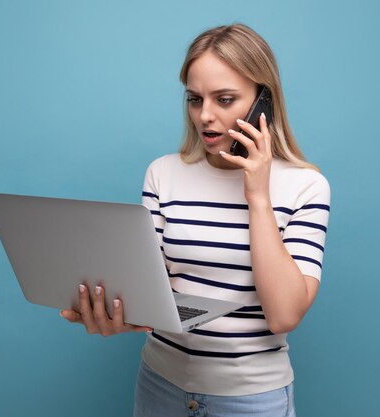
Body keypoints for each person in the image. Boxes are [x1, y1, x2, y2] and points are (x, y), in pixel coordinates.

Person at [60, 23, 330, 417]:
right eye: (194, 99)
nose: (205, 116)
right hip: (159, 386)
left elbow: (283, 314)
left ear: (263, 102)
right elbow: (150, 286)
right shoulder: (163, 174)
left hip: (251, 401)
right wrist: (112, 313)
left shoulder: (306, 186)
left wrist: (257, 195)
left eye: (224, 99)